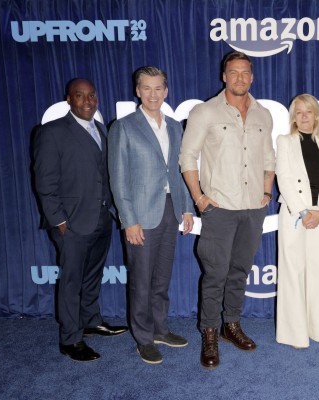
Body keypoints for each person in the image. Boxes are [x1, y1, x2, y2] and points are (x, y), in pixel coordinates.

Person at [179, 51, 275, 369]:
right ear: (224, 76)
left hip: (252, 209)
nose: (240, 78)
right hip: (218, 208)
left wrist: (265, 191)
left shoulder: (263, 114)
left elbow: (268, 160)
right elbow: (187, 157)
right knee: (215, 274)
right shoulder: (204, 112)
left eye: (245, 73)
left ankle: (230, 325)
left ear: (252, 76)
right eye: (233, 73)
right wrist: (199, 198)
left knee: (239, 273)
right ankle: (209, 333)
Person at [33, 78, 127, 362]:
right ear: (69, 100)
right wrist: (59, 220)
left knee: (92, 275)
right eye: (80, 96)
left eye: (92, 95)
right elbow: (44, 181)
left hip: (101, 217)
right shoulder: (52, 132)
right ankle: (70, 338)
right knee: (72, 280)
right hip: (71, 223)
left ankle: (91, 321)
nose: (87, 101)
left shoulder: (102, 129)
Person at [108, 67, 194, 365]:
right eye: (147, 88)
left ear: (166, 91)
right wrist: (128, 219)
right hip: (141, 215)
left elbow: (180, 171)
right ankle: (143, 338)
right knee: (141, 281)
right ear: (137, 91)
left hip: (170, 210)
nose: (153, 94)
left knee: (161, 279)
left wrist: (186, 208)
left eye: (158, 88)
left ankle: (160, 329)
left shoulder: (174, 126)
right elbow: (118, 179)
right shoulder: (124, 127)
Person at [275, 94, 319, 349]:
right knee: (293, 272)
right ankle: (294, 334)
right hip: (294, 214)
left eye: (308, 111)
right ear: (293, 116)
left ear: (316, 115)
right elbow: (284, 178)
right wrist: (303, 212)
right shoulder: (285, 141)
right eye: (298, 112)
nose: (303, 116)